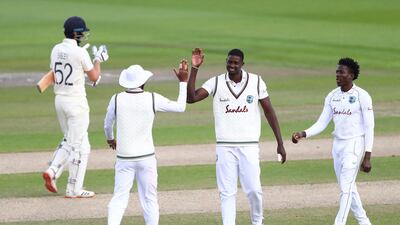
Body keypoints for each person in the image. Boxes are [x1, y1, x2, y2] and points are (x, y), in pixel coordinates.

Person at [187, 48, 286, 225]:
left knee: (254, 190)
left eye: (235, 63)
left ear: (242, 64)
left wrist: (280, 142)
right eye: (229, 62)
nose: (231, 66)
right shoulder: (216, 82)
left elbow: (269, 111)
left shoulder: (256, 81)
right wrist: (195, 69)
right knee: (227, 192)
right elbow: (192, 98)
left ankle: (257, 221)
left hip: (249, 146)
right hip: (224, 147)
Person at [104, 61, 189, 225]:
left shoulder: (116, 99)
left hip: (124, 157)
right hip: (146, 158)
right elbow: (180, 107)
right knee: (150, 199)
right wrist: (183, 83)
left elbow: (108, 124)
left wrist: (110, 138)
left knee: (119, 198)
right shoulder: (152, 98)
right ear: (143, 81)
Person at [292, 57, 373, 225]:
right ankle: (364, 222)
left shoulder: (362, 96)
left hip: (355, 144)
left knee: (346, 188)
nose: (337, 75)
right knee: (348, 188)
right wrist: (303, 133)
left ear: (351, 75)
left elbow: (369, 127)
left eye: (341, 72)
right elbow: (322, 123)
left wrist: (367, 156)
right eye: (337, 72)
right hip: (338, 146)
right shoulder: (332, 96)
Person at [42, 16, 109, 198]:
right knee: (72, 143)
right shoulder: (80, 53)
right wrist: (99, 59)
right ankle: (53, 170)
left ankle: (74, 189)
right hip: (76, 104)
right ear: (76, 33)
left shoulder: (56, 49)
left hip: (60, 101)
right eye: (82, 32)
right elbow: (95, 77)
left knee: (82, 146)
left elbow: (58, 75)